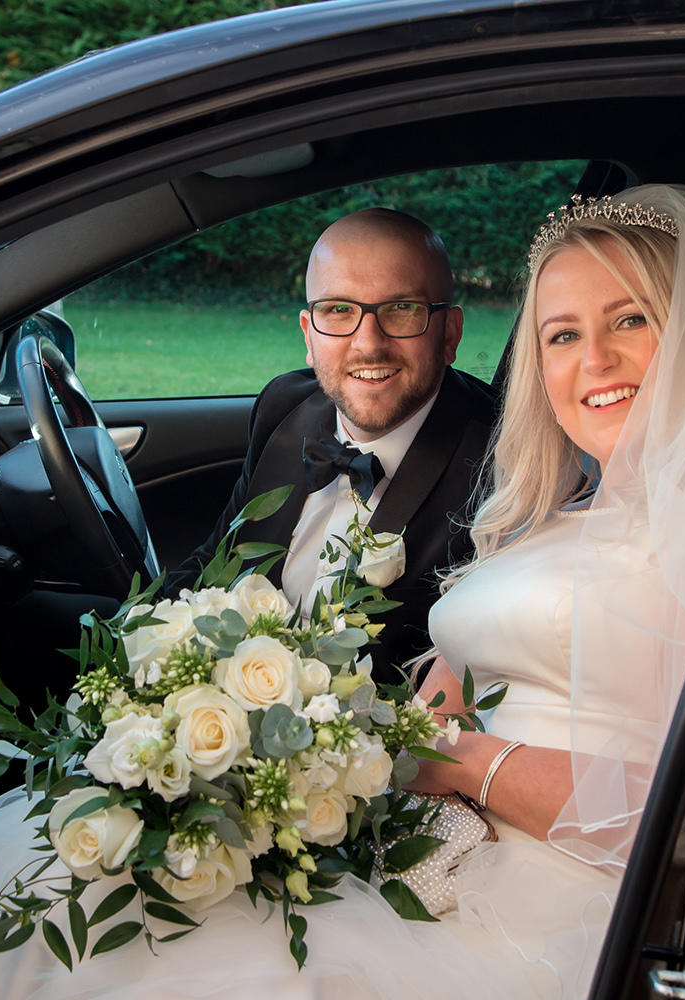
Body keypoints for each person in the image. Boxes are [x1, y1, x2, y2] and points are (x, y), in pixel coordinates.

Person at [0, 185, 685, 999]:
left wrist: (427, 757)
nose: (593, 360)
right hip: (408, 806)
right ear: (305, 329)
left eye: (630, 322)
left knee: (97, 950)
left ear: (448, 327)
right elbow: (425, 658)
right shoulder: (546, 497)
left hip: (522, 884)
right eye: (563, 334)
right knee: (55, 891)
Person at [169, 209, 498, 669]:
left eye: (402, 309)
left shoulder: (501, 465)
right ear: (309, 332)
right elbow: (214, 562)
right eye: (339, 309)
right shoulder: (283, 406)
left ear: (450, 334)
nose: (368, 343)